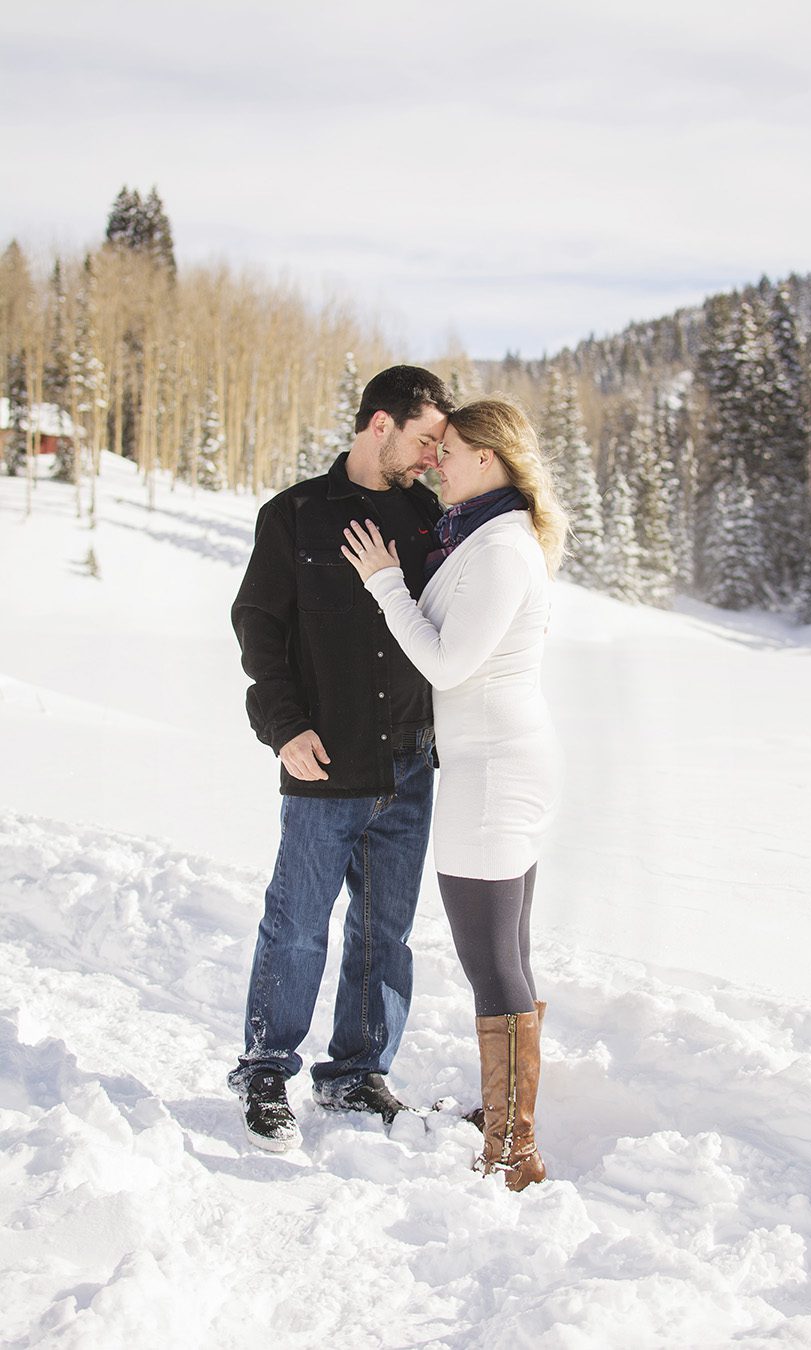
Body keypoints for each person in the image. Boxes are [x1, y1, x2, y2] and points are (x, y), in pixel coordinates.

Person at [342, 399, 567, 1191]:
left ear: (492, 459)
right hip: (496, 760)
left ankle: (512, 1150)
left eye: (455, 449)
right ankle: (506, 1123)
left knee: (491, 961)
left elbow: (447, 663)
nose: (439, 460)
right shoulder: (481, 537)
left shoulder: (501, 549)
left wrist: (383, 584)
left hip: (493, 772)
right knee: (508, 954)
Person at [228, 364, 454, 1151]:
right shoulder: (295, 516)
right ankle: (265, 1072)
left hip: (412, 764)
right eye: (426, 438)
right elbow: (258, 627)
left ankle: (357, 1073)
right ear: (379, 424)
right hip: (323, 759)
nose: (433, 456)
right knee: (296, 924)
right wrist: (282, 727)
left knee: (383, 933)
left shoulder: (434, 522)